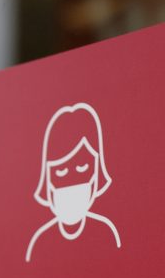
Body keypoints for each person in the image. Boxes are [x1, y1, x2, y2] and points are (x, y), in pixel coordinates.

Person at [26, 102, 120, 262]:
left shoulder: (104, 233)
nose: (72, 183)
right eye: (61, 172)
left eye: (82, 168)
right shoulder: (42, 243)